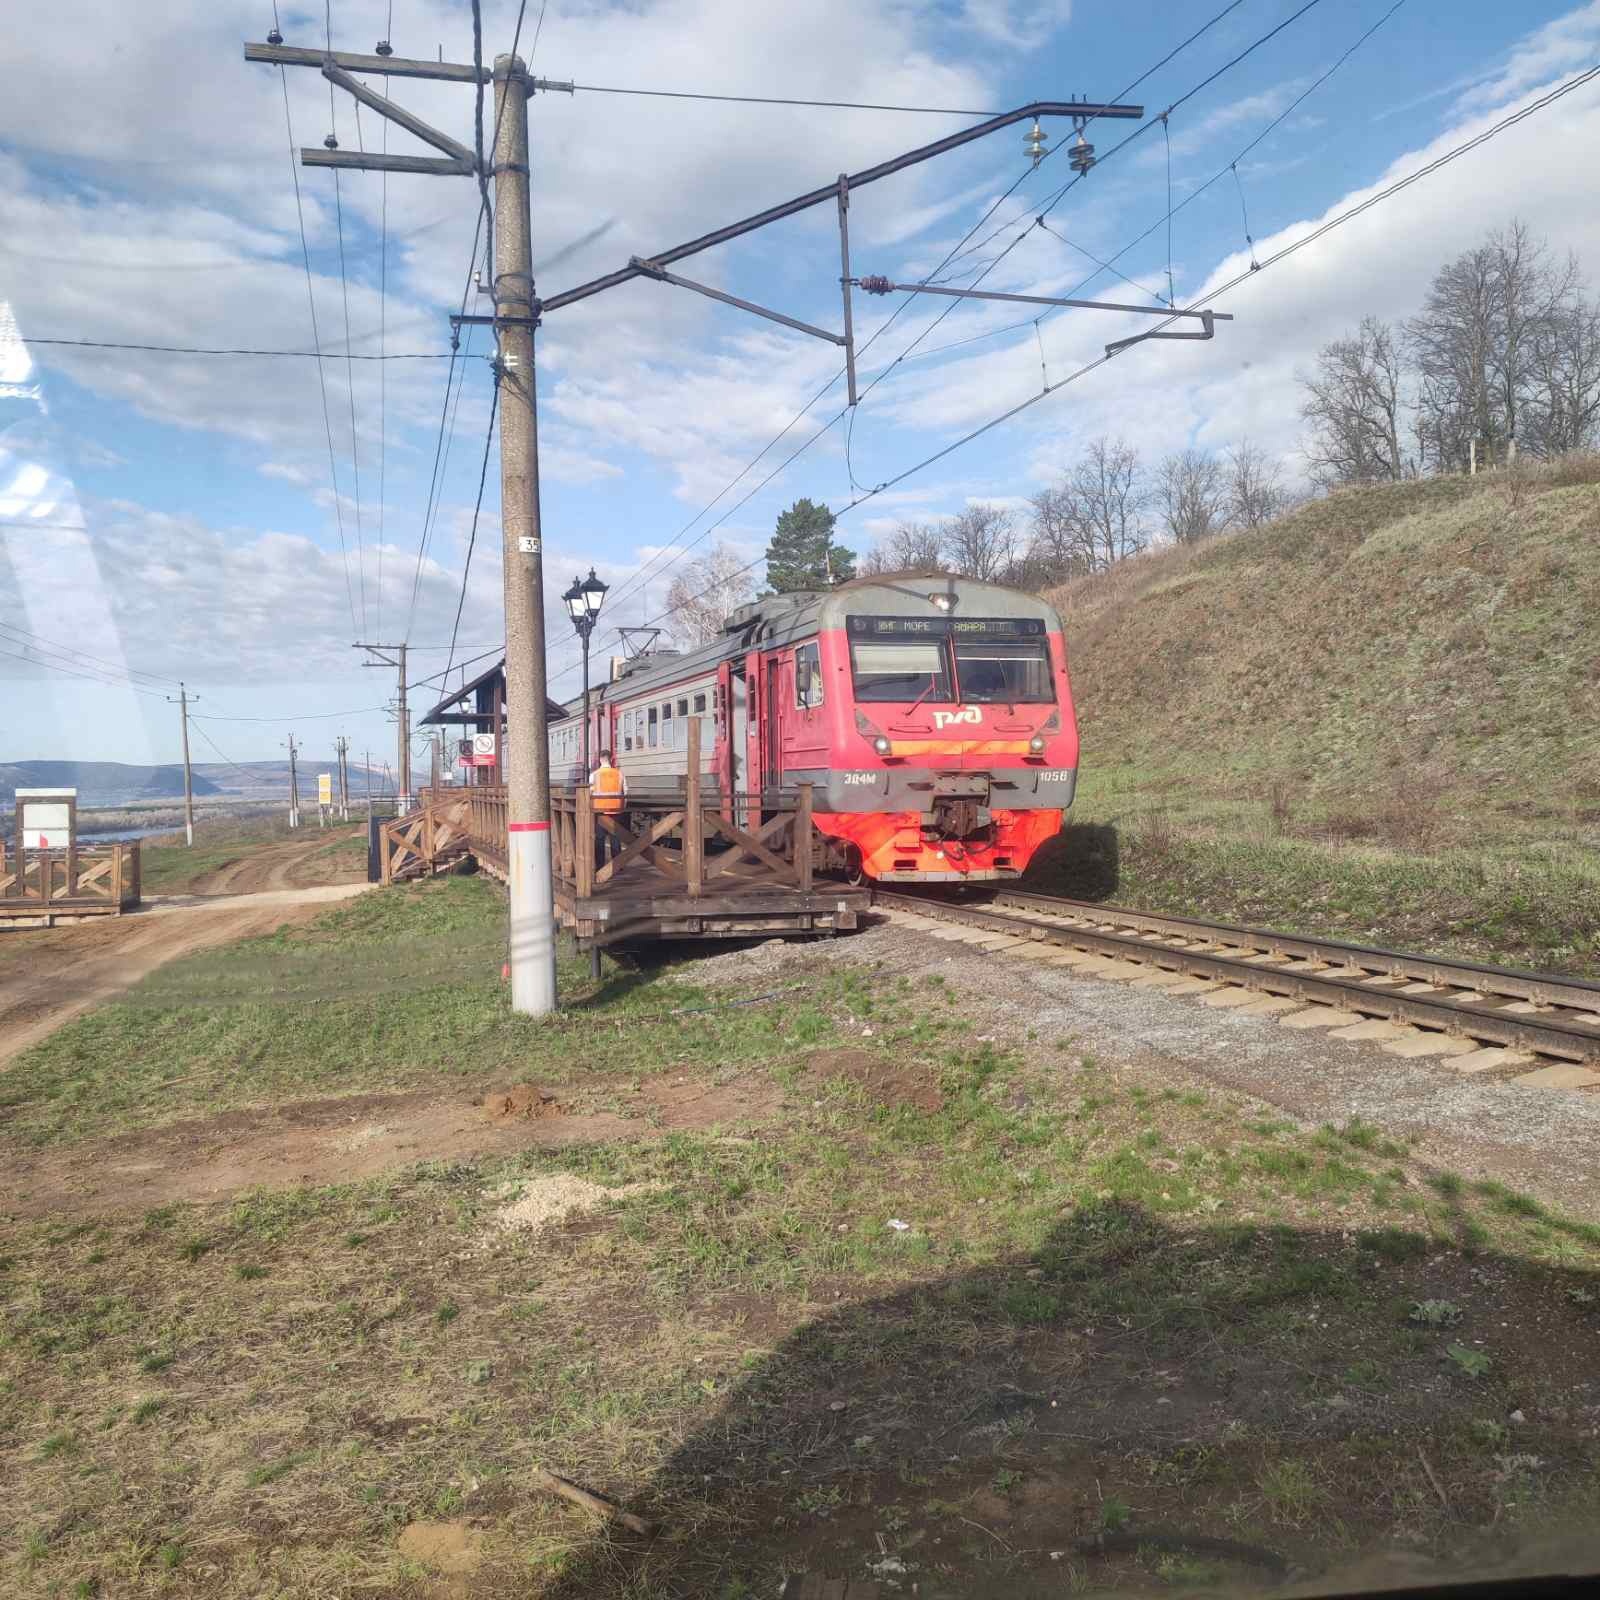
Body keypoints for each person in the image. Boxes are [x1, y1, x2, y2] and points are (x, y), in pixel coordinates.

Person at [589, 748, 627, 868]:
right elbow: (625, 791)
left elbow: (590, 793)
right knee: (615, 839)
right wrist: (622, 806)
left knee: (599, 840)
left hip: (600, 813)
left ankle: (600, 866)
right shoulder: (619, 773)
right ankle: (618, 866)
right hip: (616, 811)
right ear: (611, 759)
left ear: (600, 759)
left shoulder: (594, 775)